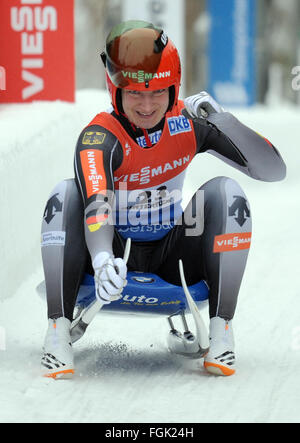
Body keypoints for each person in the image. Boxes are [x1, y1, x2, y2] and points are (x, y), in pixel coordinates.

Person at [40, 20, 286, 379]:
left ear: (174, 90)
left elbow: (272, 170)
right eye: (134, 93)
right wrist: (103, 258)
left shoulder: (188, 123)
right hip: (111, 254)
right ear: (116, 91)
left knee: (226, 193)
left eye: (157, 92)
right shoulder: (98, 137)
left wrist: (224, 121)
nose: (146, 104)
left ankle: (222, 333)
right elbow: (96, 202)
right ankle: (58, 331)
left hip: (172, 255)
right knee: (64, 194)